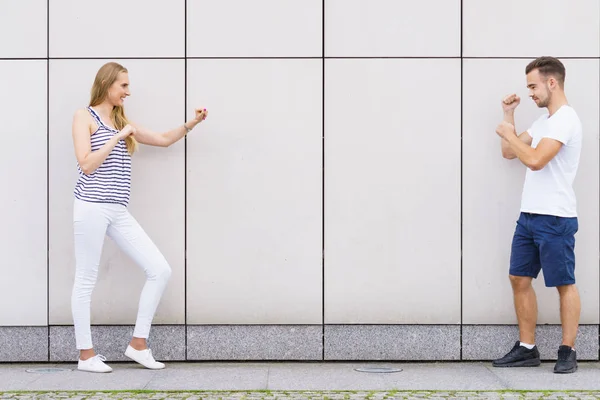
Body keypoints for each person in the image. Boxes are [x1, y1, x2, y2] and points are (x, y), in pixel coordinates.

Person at [70, 62, 208, 373]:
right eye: (124, 86)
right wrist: (118, 137)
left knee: (159, 270)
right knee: (85, 279)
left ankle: (138, 344)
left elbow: (162, 139)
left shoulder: (122, 121)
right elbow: (86, 164)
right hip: (91, 205)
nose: (128, 92)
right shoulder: (85, 117)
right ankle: (86, 355)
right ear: (107, 85)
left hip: (117, 210)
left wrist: (193, 123)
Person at [492, 56, 582, 374]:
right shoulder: (544, 122)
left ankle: (567, 350)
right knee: (519, 278)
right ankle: (527, 348)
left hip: (555, 217)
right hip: (529, 215)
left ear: (551, 82)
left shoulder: (565, 120)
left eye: (533, 85)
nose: (530, 92)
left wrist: (509, 132)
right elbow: (509, 151)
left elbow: (534, 160)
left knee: (563, 283)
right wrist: (509, 115)